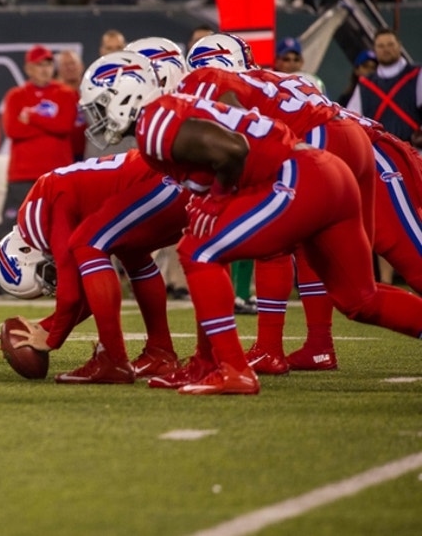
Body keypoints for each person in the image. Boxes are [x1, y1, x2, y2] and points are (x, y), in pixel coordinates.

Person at [78, 50, 422, 394]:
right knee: (360, 299)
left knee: (198, 252)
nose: (95, 118)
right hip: (325, 172)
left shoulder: (156, 120)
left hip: (301, 175)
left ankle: (232, 369)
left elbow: (233, 149)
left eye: (97, 105)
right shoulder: (179, 107)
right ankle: (210, 362)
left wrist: (220, 195)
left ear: (124, 92)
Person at [182, 33, 375, 374]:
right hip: (352, 143)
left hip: (315, 150)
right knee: (330, 257)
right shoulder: (276, 78)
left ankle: (270, 347)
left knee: (275, 248)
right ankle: (318, 344)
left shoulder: (234, 85)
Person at [0, 150, 188, 384]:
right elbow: (92, 294)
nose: (55, 279)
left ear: (25, 253)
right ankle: (160, 352)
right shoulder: (47, 206)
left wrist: (51, 338)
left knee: (87, 244)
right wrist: (47, 326)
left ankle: (112, 359)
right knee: (133, 254)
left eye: (47, 275)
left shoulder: (43, 202)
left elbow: (71, 295)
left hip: (168, 180)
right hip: (182, 181)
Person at [0, 45, 78, 237]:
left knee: (60, 232)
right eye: (39, 64)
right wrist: (49, 124)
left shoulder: (66, 94)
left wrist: (32, 117)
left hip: (57, 174)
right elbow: (13, 130)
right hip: (22, 175)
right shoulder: (15, 96)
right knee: (15, 232)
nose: (45, 69)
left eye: (48, 64)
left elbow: (64, 126)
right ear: (28, 69)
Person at [347, 28, 422, 149]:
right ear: (375, 49)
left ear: (399, 46)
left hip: (415, 153)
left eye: (390, 44)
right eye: (381, 46)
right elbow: (351, 119)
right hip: (382, 155)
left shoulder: (417, 74)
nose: (386, 49)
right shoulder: (365, 85)